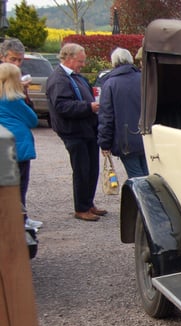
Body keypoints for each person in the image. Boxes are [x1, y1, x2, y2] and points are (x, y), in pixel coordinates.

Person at [46, 43, 103, 222]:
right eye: (80, 61)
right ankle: (81, 207)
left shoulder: (76, 77)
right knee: (81, 169)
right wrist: (89, 107)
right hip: (73, 131)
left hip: (87, 130)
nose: (83, 64)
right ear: (69, 59)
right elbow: (62, 106)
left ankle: (88, 202)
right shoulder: (59, 79)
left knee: (92, 168)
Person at [1, 38, 42, 229]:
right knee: (18, 186)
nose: (17, 64)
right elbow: (32, 119)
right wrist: (22, 93)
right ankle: (20, 221)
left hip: (8, 146)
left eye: (20, 60)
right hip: (17, 147)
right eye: (13, 59)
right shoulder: (11, 97)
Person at [98, 47, 148, 178]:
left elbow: (106, 117)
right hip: (146, 134)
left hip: (125, 139)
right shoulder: (144, 79)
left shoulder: (110, 84)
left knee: (136, 177)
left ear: (114, 62)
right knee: (148, 174)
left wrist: (105, 143)